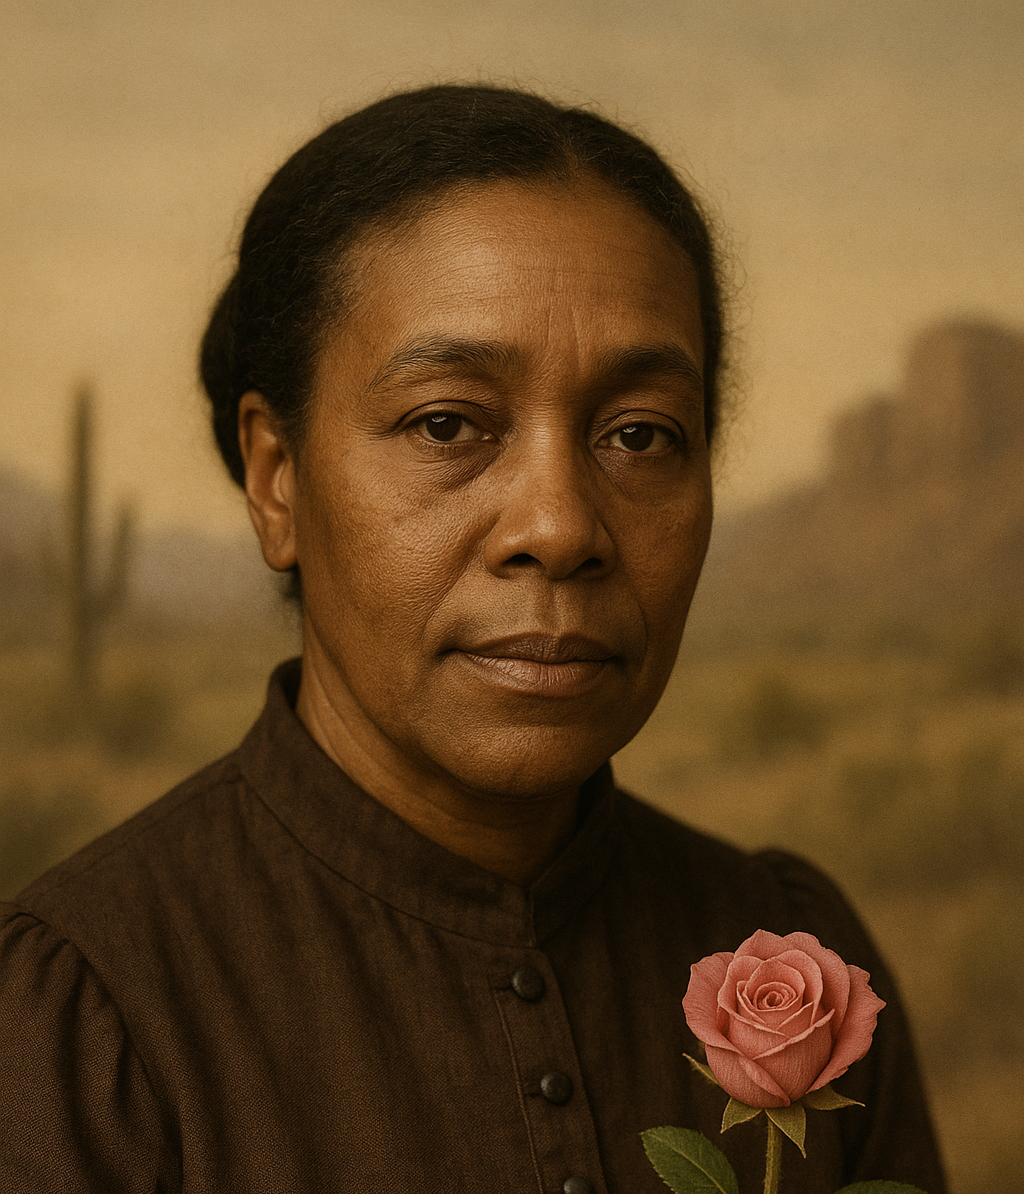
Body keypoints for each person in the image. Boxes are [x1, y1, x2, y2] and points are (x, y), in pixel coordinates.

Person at [0, 85, 945, 1193]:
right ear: (276, 479)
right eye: (446, 423)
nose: (559, 527)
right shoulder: (80, 1021)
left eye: (640, 435)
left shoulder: (796, 959)